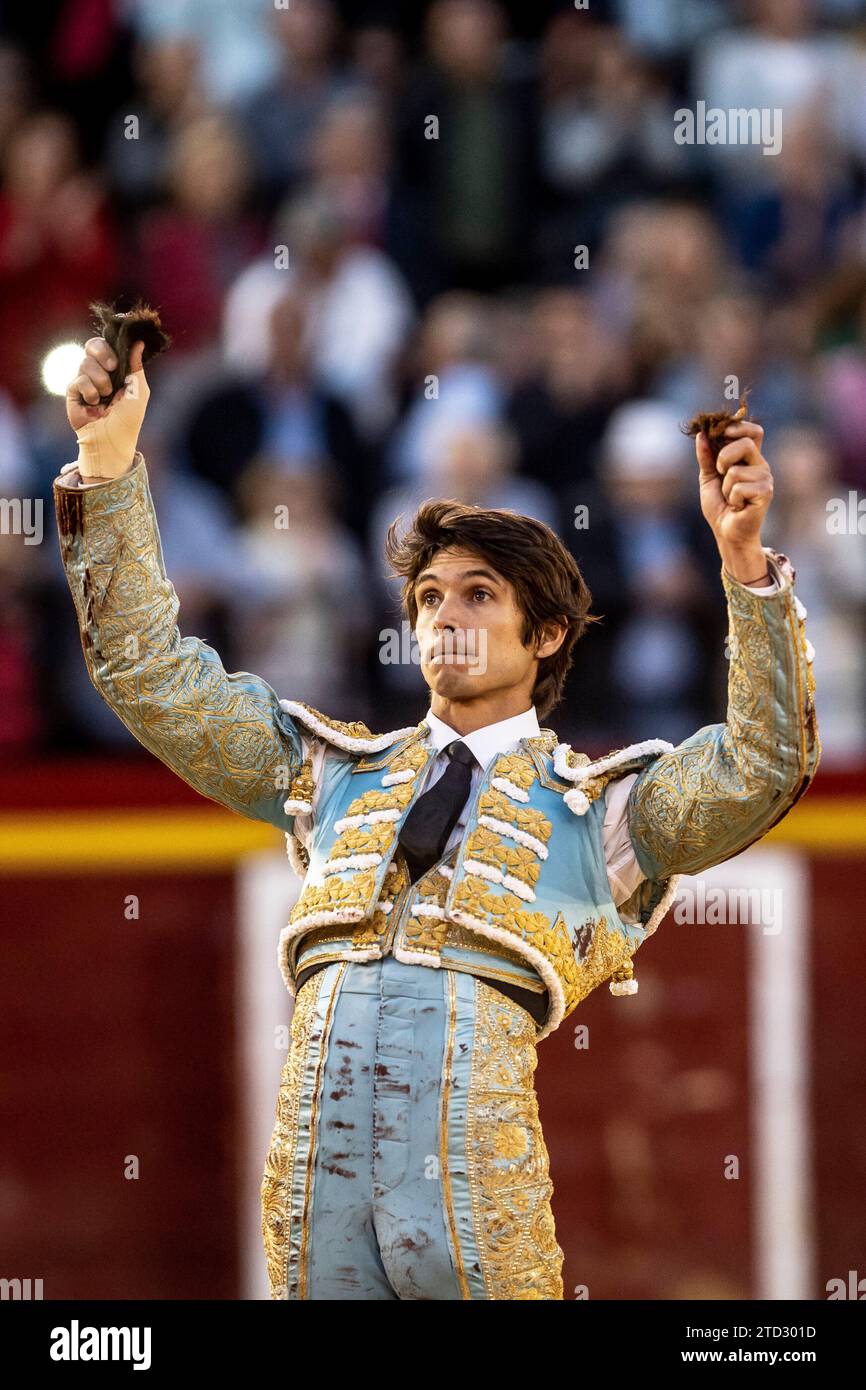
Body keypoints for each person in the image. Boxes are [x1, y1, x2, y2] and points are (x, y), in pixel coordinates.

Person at [54, 333, 820, 1300]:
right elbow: (150, 676)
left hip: (471, 1170)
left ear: (545, 636)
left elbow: (765, 763)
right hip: (311, 1169)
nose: (442, 617)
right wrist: (109, 463)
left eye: (478, 595)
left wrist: (744, 567)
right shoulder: (331, 775)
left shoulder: (604, 813)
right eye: (426, 597)